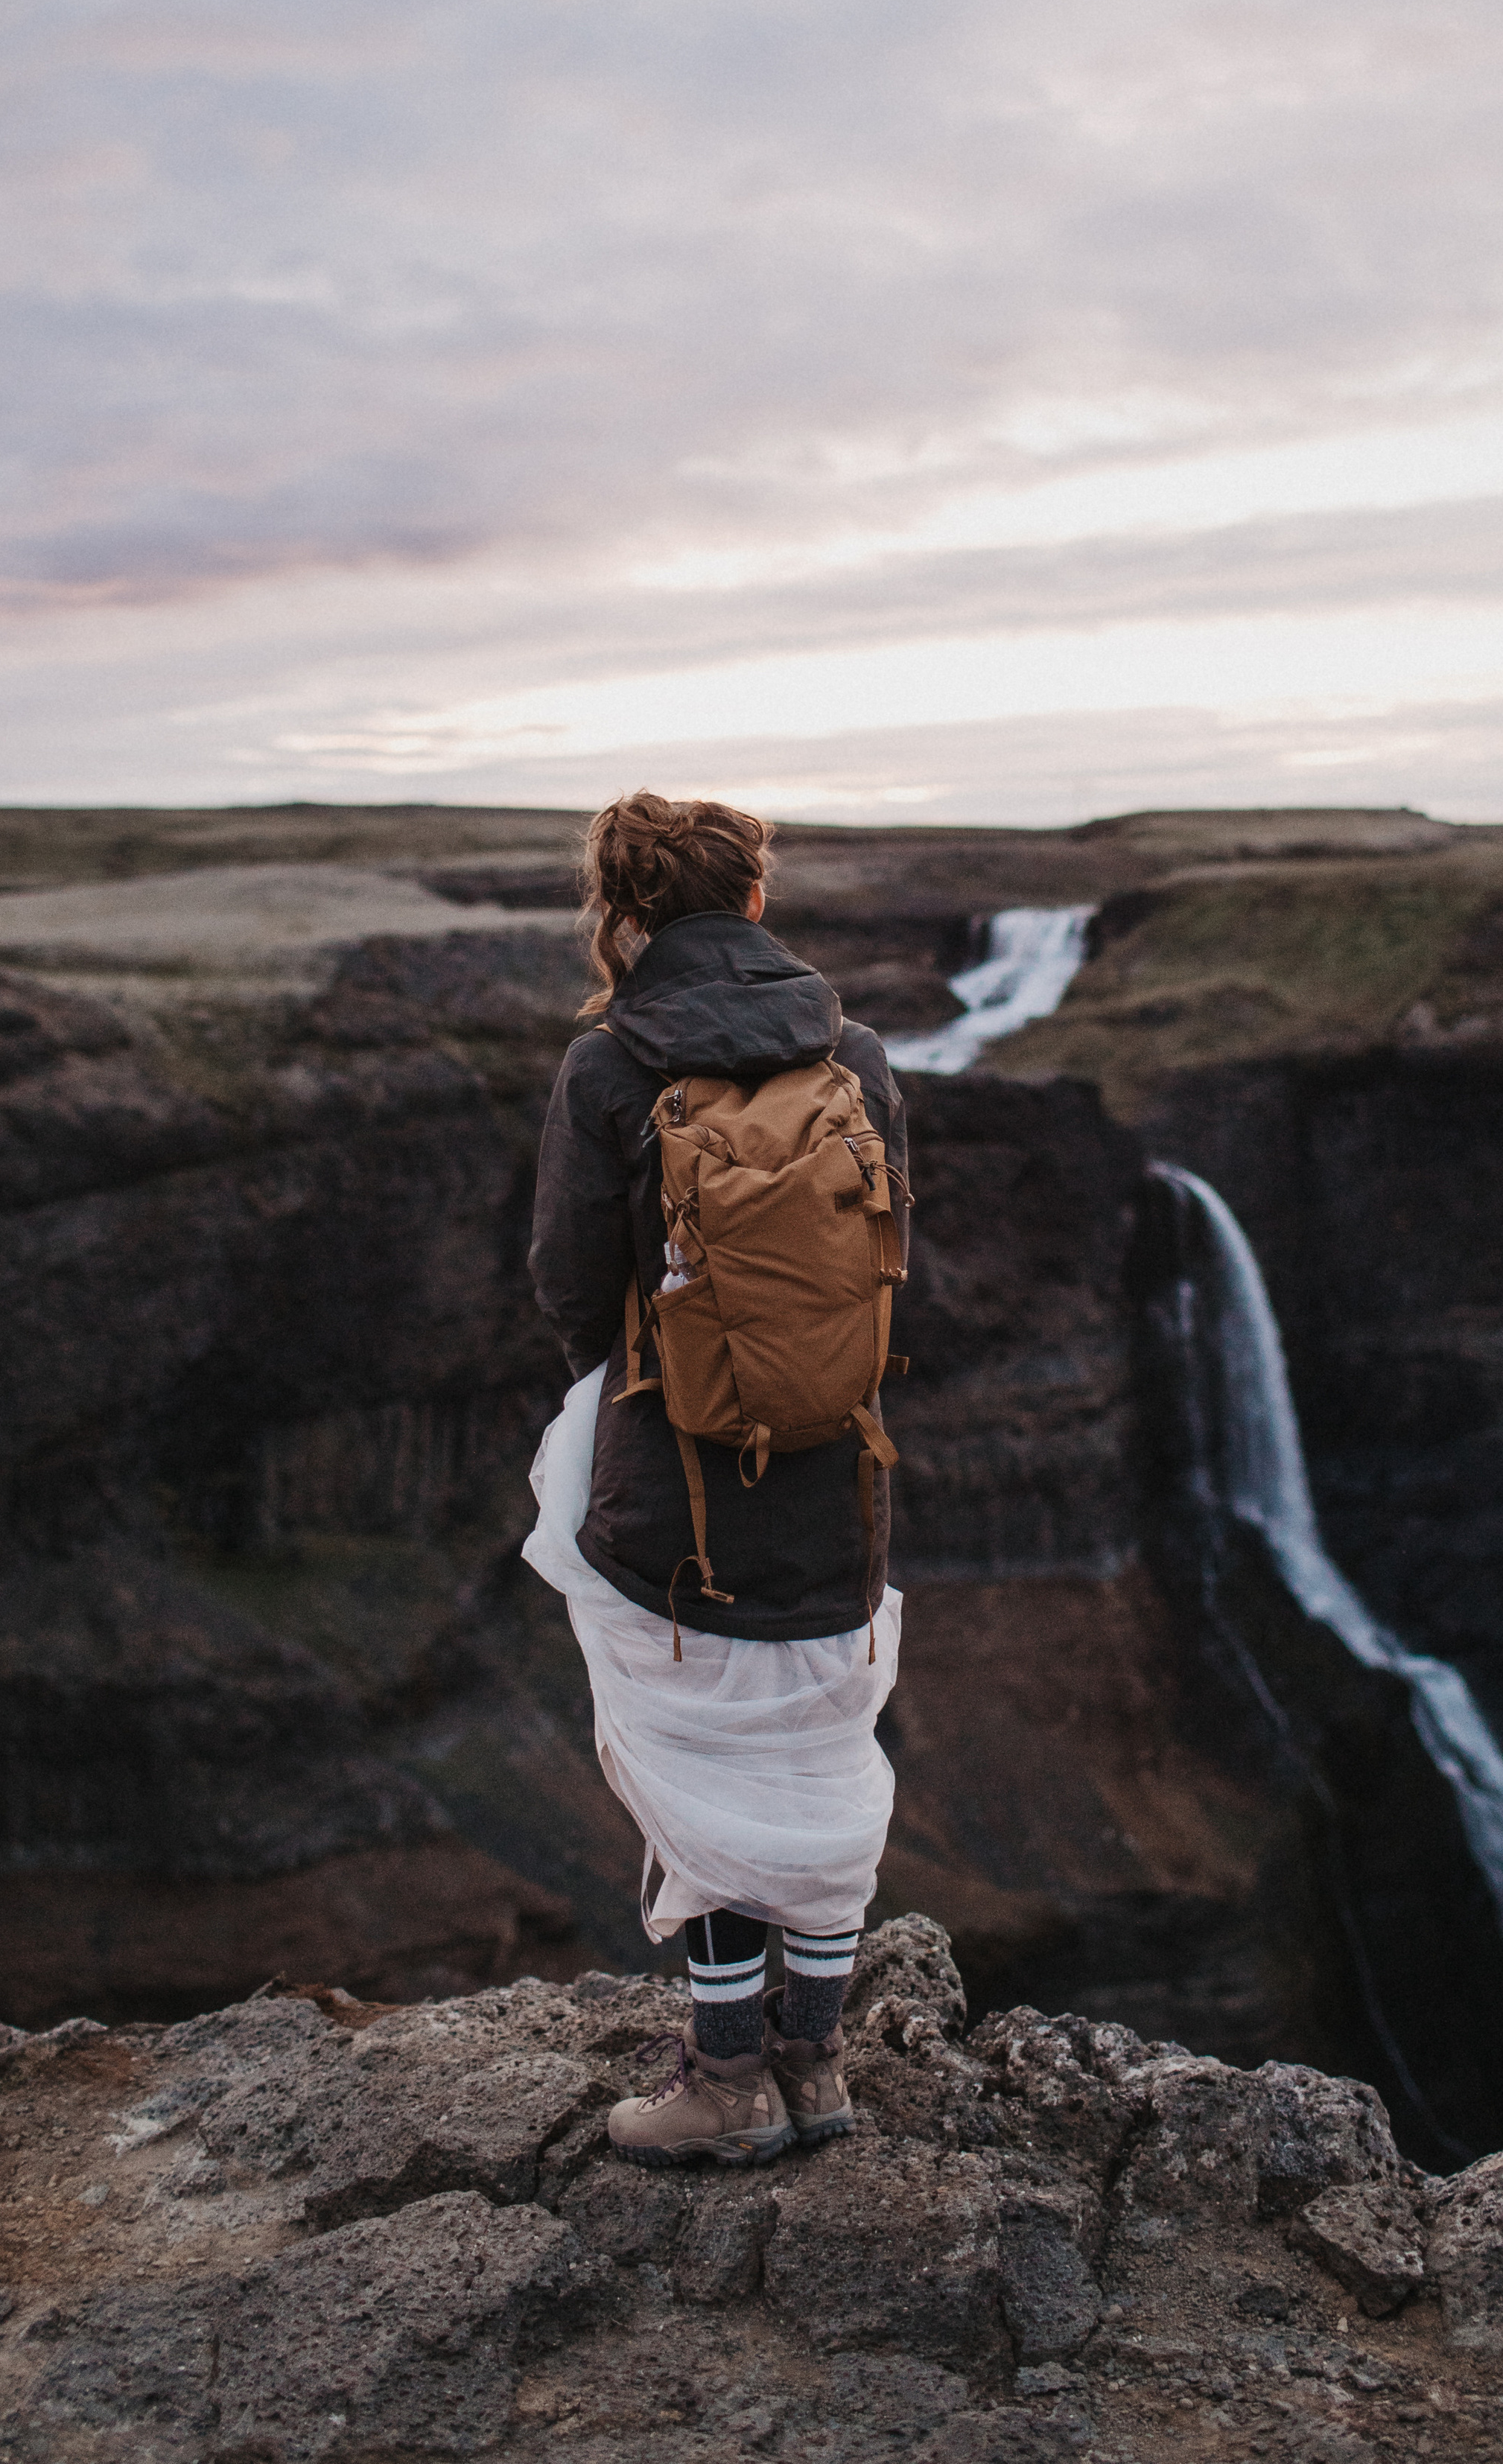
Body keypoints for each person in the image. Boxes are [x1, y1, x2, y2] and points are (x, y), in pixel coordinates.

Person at [524, 789, 908, 2166]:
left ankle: (727, 2080)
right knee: (815, 1763)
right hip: (838, 1494)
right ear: (755, 898)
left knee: (708, 1781)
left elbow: (570, 1286)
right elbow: (886, 1263)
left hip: (672, 1503)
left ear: (624, 915)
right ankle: (820, 2060)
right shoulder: (853, 1053)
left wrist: (645, 1383)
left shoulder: (608, 1070)